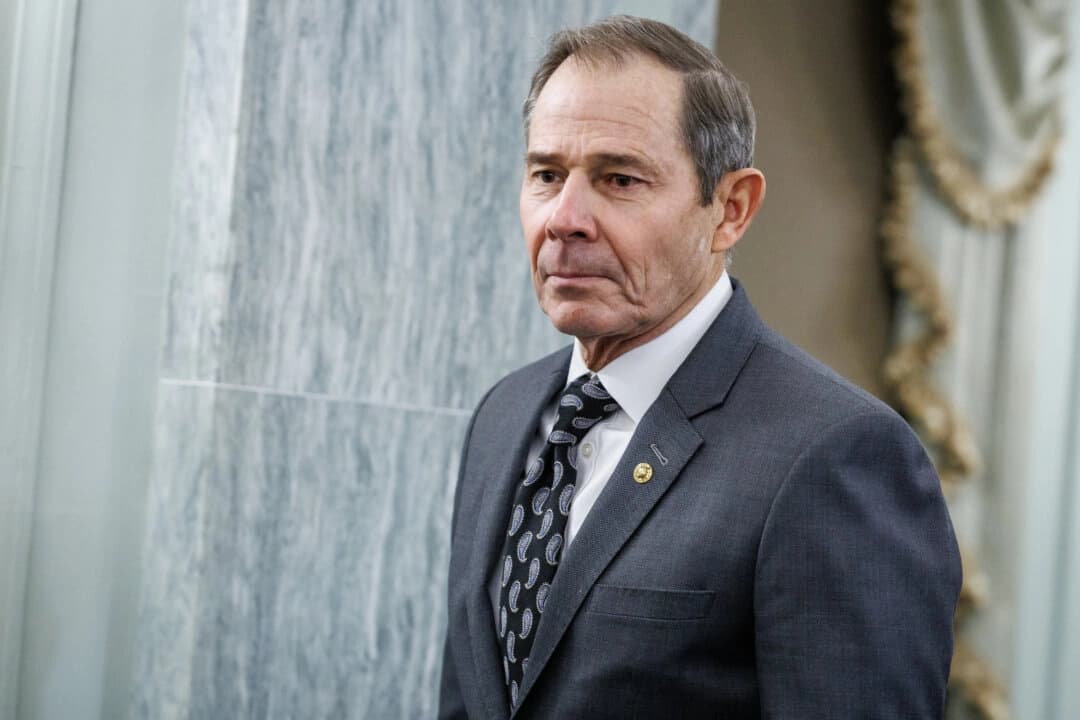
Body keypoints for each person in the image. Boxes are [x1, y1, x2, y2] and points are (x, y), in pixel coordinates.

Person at [439, 15, 961, 720]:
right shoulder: (505, 416)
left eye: (619, 179)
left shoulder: (837, 456)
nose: (564, 218)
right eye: (546, 174)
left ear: (731, 210)